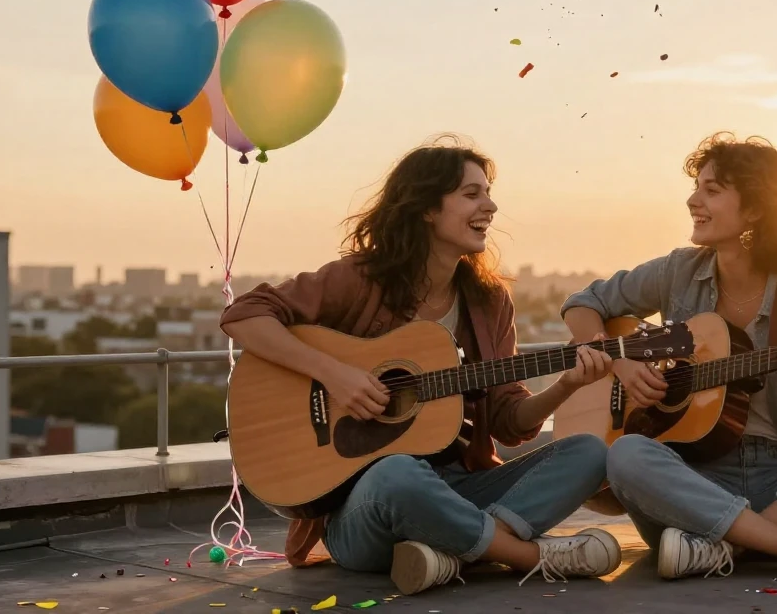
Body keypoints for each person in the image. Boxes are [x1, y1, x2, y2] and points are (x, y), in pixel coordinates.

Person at [222, 137, 621, 595]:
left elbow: (510, 423)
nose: (490, 206)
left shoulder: (488, 303)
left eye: (488, 193)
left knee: (590, 452)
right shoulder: (359, 279)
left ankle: (445, 551)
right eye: (472, 194)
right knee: (397, 472)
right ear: (428, 208)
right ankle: (528, 556)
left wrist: (566, 384)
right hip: (367, 511)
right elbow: (245, 314)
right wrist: (336, 374)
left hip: (458, 487)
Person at [561, 132, 777, 585]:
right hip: (691, 481)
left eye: (711, 190)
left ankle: (721, 545)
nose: (692, 200)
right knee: (627, 453)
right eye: (697, 187)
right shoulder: (677, 272)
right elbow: (583, 302)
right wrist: (621, 362)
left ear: (756, 208)